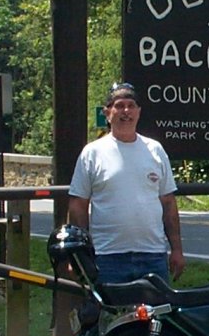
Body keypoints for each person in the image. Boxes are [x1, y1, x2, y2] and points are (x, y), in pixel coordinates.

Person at [68, 82, 185, 284]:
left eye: (131, 106)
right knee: (112, 316)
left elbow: (168, 202)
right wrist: (79, 253)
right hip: (107, 258)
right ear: (107, 112)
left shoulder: (155, 150)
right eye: (119, 105)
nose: (126, 111)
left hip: (153, 256)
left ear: (139, 112)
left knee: (158, 315)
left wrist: (176, 249)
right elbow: (78, 205)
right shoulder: (92, 153)